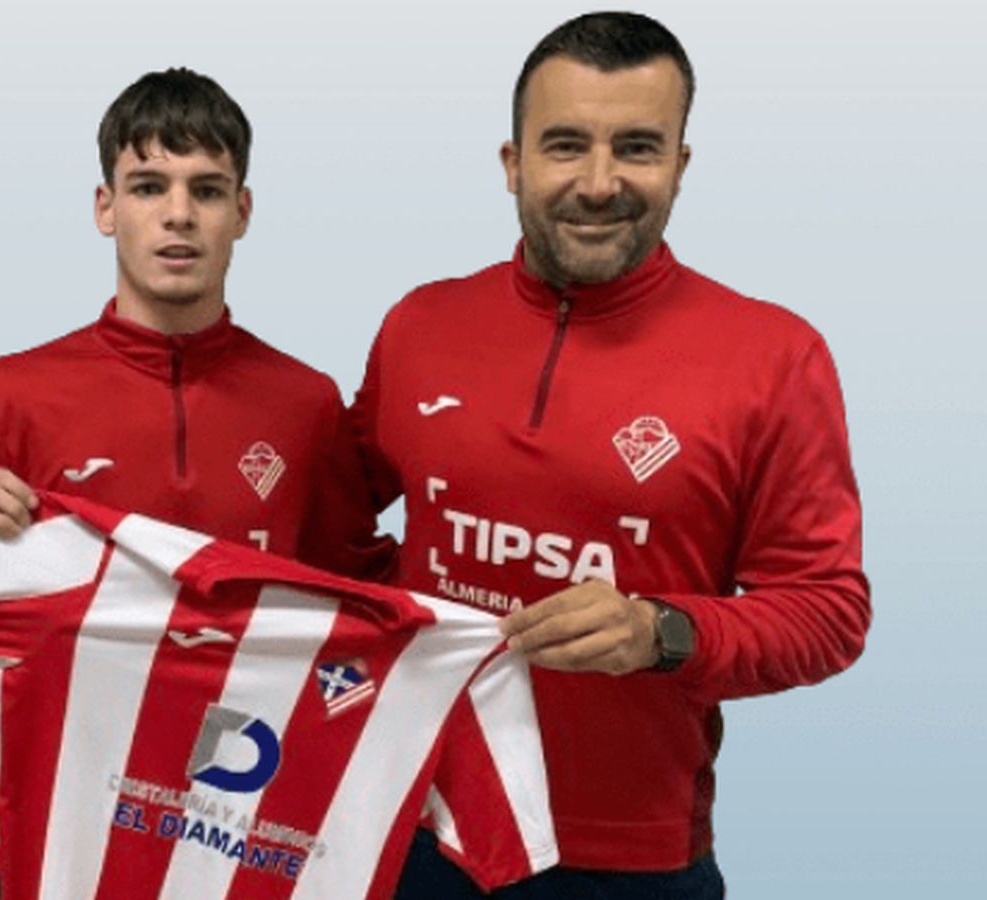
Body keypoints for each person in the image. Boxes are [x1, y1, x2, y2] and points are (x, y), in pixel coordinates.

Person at [356, 13, 872, 898]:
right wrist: (40, 501)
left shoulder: (774, 357)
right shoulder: (420, 324)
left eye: (636, 147)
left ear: (680, 164)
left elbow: (828, 613)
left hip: (628, 863)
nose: (599, 183)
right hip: (412, 827)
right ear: (512, 162)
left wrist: (663, 633)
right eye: (565, 146)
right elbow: (302, 508)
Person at [0, 68, 390, 579]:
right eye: (149, 187)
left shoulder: (308, 406)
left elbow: (365, 600)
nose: (179, 214)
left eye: (208, 191)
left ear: (242, 212)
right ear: (106, 209)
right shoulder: (10, 397)